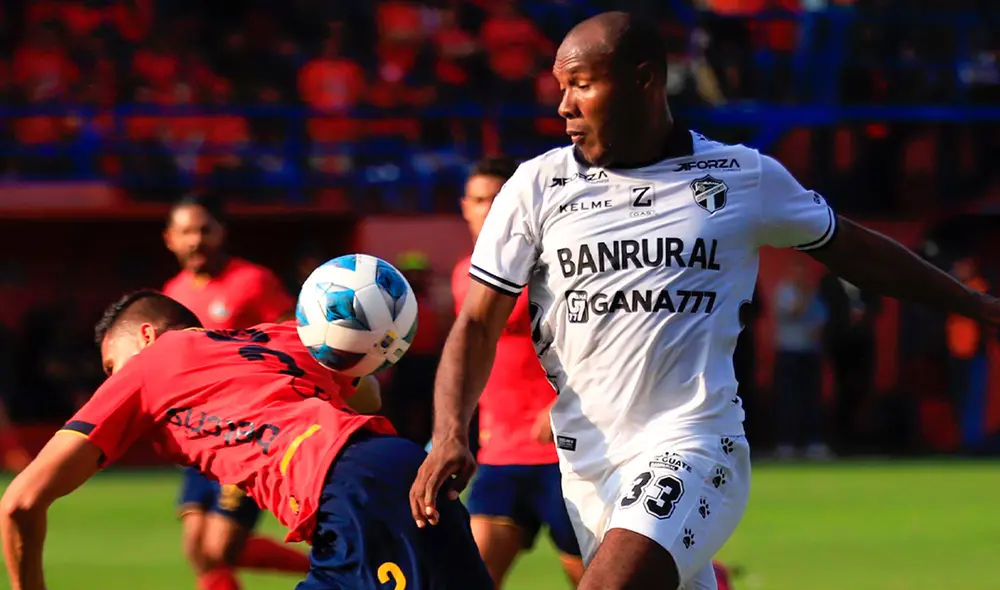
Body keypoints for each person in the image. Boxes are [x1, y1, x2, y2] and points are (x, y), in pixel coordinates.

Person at [410, 11, 1000, 590]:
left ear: (645, 79)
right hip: (587, 469)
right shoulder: (536, 187)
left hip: (692, 447)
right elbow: (476, 324)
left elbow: (855, 249)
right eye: (562, 87)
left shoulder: (740, 176)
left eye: (582, 85)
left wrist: (981, 307)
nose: (564, 105)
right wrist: (450, 431)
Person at [1, 291, 493, 590]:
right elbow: (368, 398)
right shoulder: (275, 337)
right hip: (400, 467)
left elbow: (20, 503)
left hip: (346, 488)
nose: (112, 379)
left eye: (112, 366)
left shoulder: (149, 366)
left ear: (147, 336)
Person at [161, 194, 308, 589]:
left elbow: (292, 338)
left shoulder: (253, 281)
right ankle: (328, 572)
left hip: (246, 431)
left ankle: (329, 573)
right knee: (197, 546)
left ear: (221, 232)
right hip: (199, 434)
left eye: (204, 230)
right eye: (186, 232)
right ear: (170, 239)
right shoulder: (173, 292)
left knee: (221, 546)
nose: (196, 240)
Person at [454, 156, 585, 587]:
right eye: (478, 199)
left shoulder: (556, 268)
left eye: (497, 198)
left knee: (605, 581)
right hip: (500, 456)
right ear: (464, 208)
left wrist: (562, 403)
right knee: (467, 578)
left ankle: (705, 578)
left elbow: (604, 346)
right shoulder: (464, 275)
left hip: (566, 456)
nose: (488, 208)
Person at [773, 259, 830, 460]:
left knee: (811, 399)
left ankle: (813, 443)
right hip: (789, 352)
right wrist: (806, 296)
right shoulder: (784, 292)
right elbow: (795, 312)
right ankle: (787, 444)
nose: (801, 277)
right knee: (789, 399)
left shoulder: (814, 294)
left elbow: (822, 319)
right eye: (797, 273)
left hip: (810, 352)